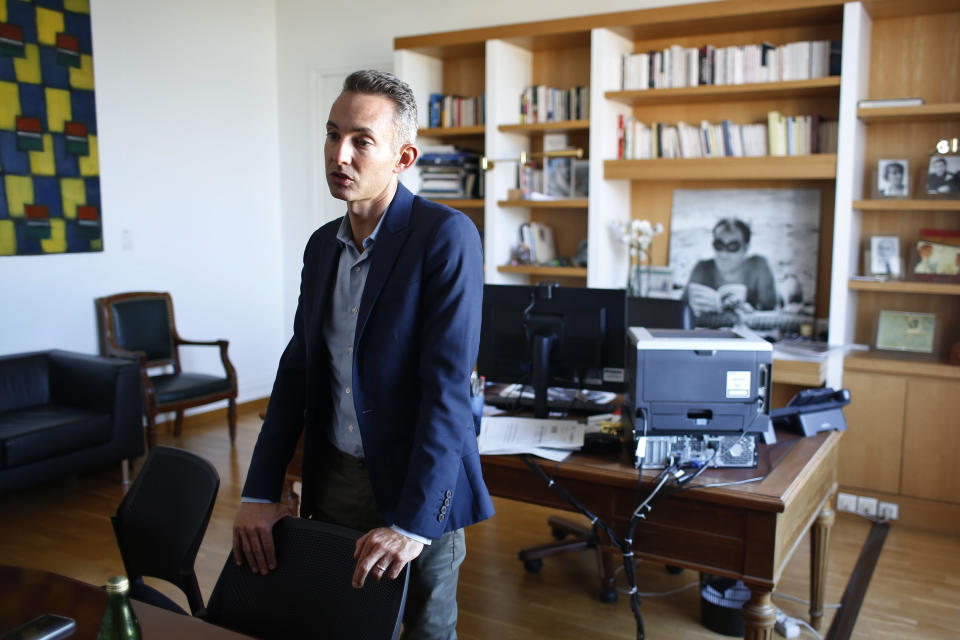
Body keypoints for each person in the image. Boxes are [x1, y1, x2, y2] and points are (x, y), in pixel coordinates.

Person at [233, 70, 494, 640]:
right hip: (333, 481)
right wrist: (259, 491)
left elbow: (447, 393)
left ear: (403, 156)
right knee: (337, 621)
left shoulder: (446, 237)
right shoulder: (320, 246)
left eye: (361, 140)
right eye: (332, 135)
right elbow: (297, 372)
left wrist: (412, 525)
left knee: (426, 629)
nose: (340, 153)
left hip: (419, 485)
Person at [682, 217, 777, 317]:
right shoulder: (702, 268)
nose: (724, 254)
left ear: (746, 248)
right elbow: (682, 309)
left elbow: (772, 310)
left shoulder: (758, 267)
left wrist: (750, 313)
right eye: (719, 245)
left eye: (733, 247)